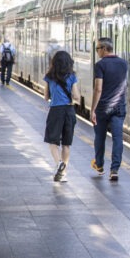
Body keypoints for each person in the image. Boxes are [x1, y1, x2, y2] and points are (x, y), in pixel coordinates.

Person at [90, 37, 128, 181]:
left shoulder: (100, 65)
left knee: (100, 137)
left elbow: (98, 89)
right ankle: (114, 170)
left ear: (105, 49)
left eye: (98, 48)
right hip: (118, 107)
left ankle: (99, 165)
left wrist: (92, 109)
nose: (97, 51)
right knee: (117, 138)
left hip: (102, 108)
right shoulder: (124, 64)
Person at [44, 51, 80, 182]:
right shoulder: (72, 77)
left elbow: (46, 96)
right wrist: (72, 99)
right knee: (66, 144)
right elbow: (76, 96)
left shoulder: (49, 77)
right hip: (69, 111)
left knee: (52, 141)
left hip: (55, 111)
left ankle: (59, 162)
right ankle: (63, 174)